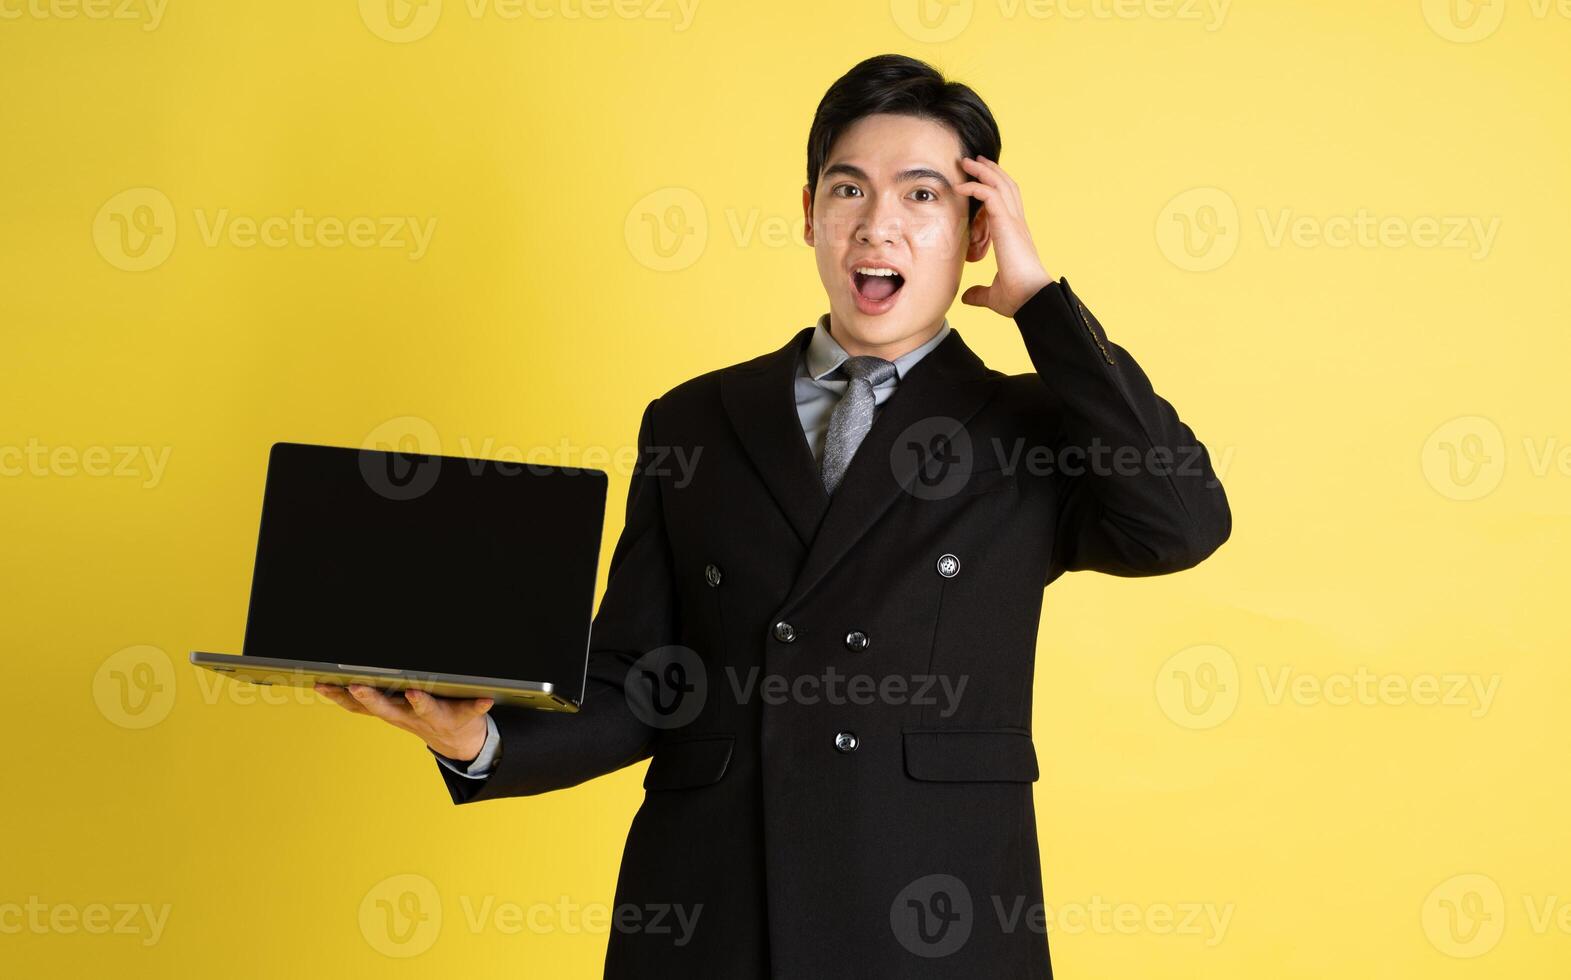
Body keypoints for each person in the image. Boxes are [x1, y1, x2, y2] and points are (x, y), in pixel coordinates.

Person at [318, 52, 1231, 979]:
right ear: (808, 213)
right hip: (713, 909)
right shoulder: (694, 421)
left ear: (975, 229)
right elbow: (643, 674)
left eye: (922, 196)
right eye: (849, 190)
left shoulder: (1028, 427)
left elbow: (1180, 521)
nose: (878, 225)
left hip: (932, 911)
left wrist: (1041, 304)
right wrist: (478, 739)